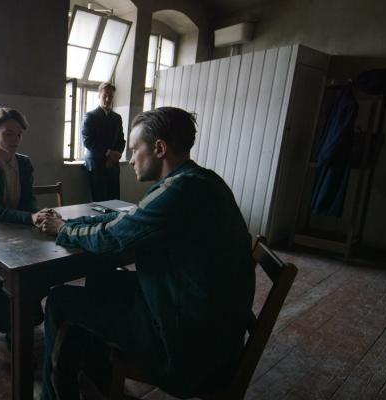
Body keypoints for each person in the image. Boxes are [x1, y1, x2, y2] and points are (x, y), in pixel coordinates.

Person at [37, 107, 255, 399]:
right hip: (205, 324)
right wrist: (69, 222)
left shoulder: (179, 192)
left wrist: (62, 230)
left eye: (135, 149)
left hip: (183, 346)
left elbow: (113, 238)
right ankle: (99, 371)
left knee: (61, 301)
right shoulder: (201, 180)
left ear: (160, 148)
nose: (129, 159)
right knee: (104, 280)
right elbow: (130, 220)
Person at [0, 107, 55, 337]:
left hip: (17, 228)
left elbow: (28, 200)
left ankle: (25, 312)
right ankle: (8, 324)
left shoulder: (24, 163)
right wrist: (30, 217)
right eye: (8, 134)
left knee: (42, 261)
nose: (15, 140)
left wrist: (40, 214)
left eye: (19, 134)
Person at [81, 81, 126, 201]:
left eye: (110, 96)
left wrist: (117, 155)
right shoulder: (90, 116)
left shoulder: (117, 118)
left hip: (114, 165)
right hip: (96, 165)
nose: (107, 99)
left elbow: (121, 140)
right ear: (99, 96)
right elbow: (88, 141)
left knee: (114, 201)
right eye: (104, 95)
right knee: (99, 202)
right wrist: (108, 154)